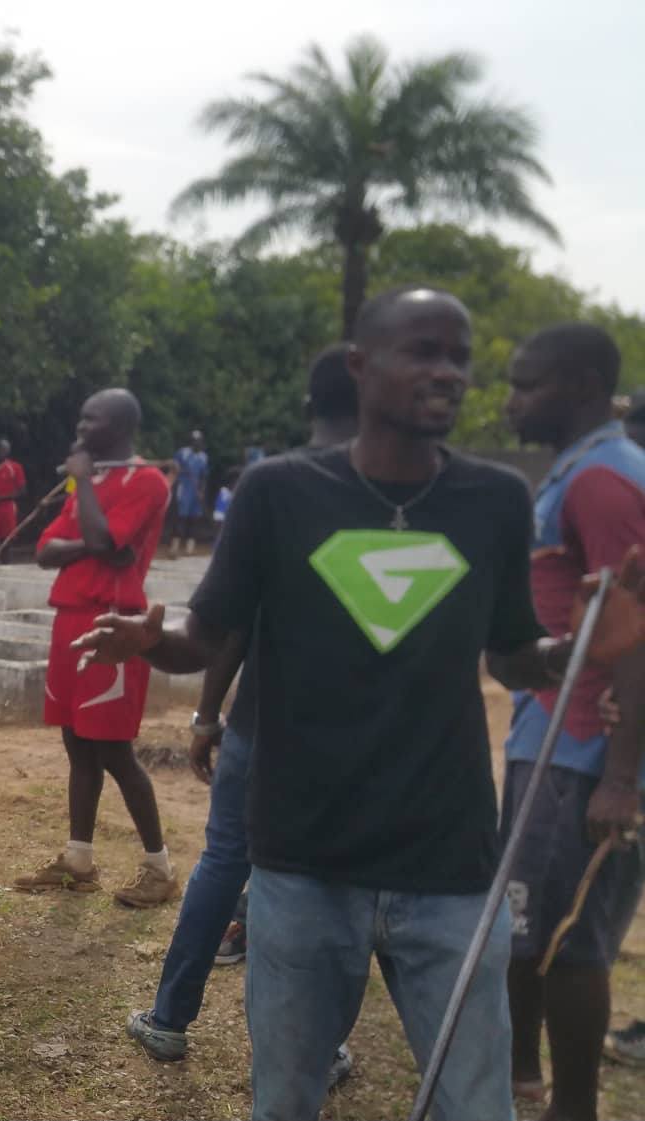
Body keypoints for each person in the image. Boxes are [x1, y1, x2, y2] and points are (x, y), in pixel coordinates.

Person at [70, 287, 645, 1121]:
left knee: (478, 1106)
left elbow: (514, 652)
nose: (447, 372)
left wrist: (583, 650)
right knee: (287, 1101)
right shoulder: (278, 493)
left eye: (460, 356)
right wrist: (150, 640)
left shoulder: (492, 501)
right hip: (303, 864)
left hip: (448, 866)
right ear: (361, 366)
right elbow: (206, 633)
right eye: (423, 351)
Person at [125, 345, 360, 1084]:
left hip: (263, 720)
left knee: (224, 860)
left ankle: (169, 1017)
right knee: (334, 881)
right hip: (352, 735)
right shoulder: (400, 496)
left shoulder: (274, 488)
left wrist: (205, 714)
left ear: (305, 405)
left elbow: (229, 622)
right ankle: (322, 1046)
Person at [501, 323, 645, 1121]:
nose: (511, 398)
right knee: (527, 923)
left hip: (584, 745)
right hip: (546, 729)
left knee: (569, 938)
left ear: (585, 384)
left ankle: (574, 1108)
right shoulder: (581, 472)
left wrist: (620, 777)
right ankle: (522, 1080)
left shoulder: (605, 481)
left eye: (528, 384)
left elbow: (634, 620)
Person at [14, 388, 177, 907]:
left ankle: (159, 867)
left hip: (113, 626)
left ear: (122, 425)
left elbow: (109, 543)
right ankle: (79, 859)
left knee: (113, 750)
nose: (81, 427)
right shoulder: (94, 481)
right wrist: (93, 537)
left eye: (92, 418)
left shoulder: (146, 481)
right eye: (81, 417)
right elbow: (46, 550)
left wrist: (84, 494)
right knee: (76, 744)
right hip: (69, 618)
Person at [171, 430, 209, 556]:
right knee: (180, 517)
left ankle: (189, 549)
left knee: (194, 519)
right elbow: (174, 469)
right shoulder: (182, 453)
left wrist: (202, 490)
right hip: (184, 488)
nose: (196, 443)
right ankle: (174, 548)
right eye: (194, 441)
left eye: (199, 441)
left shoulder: (204, 457)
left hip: (195, 490)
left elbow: (204, 476)